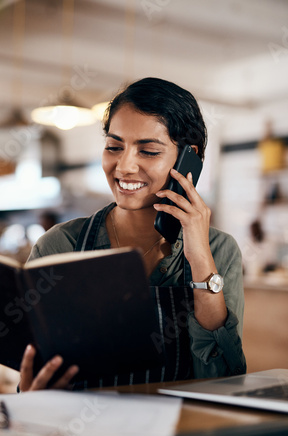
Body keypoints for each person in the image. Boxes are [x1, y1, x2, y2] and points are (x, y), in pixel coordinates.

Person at [19, 77, 246, 392]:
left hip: (182, 434)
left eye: (149, 151)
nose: (124, 166)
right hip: (82, 435)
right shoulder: (59, 246)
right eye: (114, 147)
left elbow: (224, 375)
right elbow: (30, 369)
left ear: (188, 158)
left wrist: (198, 258)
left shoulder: (219, 250)